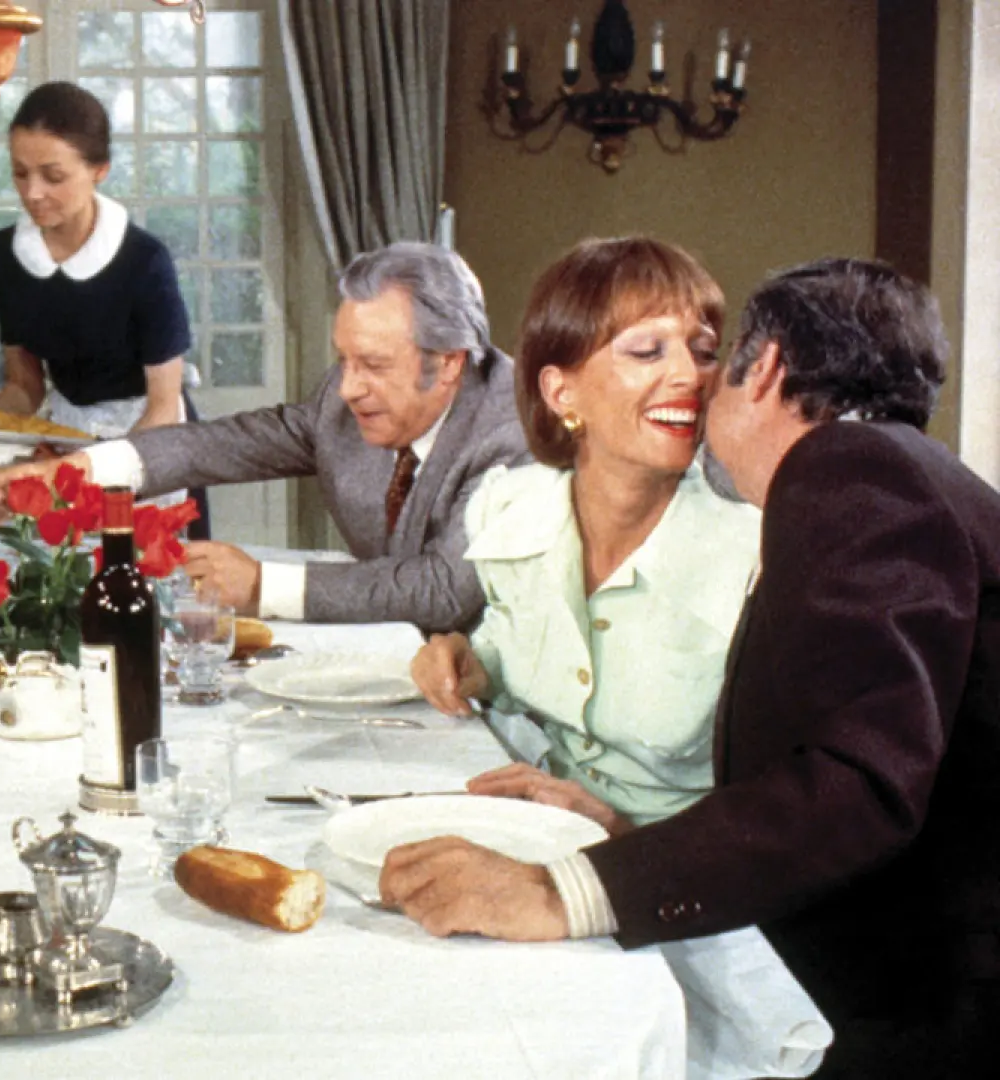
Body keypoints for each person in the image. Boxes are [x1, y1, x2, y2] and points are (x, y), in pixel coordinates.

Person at [379, 258, 1000, 1073]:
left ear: (763, 367)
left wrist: (563, 892)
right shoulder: (900, 471)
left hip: (910, 1011)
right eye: (649, 349)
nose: (698, 383)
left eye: (715, 353)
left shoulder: (847, 470)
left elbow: (859, 785)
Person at [0, 242, 530, 631]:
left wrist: (261, 586)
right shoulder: (347, 396)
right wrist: (80, 472)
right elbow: (219, 446)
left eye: (372, 364)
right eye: (344, 360)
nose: (348, 388)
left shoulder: (511, 431)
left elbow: (443, 590)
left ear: (449, 362)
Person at [410, 238, 760, 827]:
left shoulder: (758, 555)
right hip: (544, 827)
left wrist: (618, 834)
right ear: (560, 392)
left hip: (682, 867)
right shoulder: (510, 509)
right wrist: (474, 664)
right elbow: (514, 641)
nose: (691, 375)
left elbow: (793, 813)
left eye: (703, 352)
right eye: (647, 351)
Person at [0, 81, 193, 440]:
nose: (32, 193)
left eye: (53, 176)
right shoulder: (4, 255)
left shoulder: (143, 262)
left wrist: (98, 465)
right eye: (20, 173)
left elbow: (164, 408)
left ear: (100, 170)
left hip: (149, 439)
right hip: (65, 433)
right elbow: (25, 385)